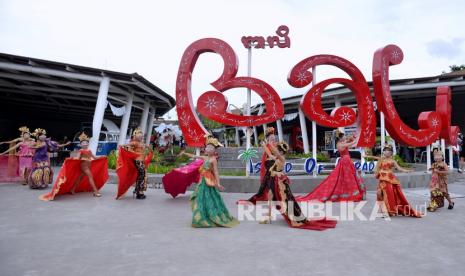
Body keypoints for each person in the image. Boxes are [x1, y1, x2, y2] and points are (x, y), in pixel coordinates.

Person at [261, 141, 337, 230]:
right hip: (274, 180)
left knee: (284, 201)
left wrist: (269, 144)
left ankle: (292, 215)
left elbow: (275, 153)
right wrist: (264, 146)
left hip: (279, 183)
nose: (276, 150)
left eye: (278, 149)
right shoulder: (277, 158)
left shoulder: (281, 158)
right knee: (270, 196)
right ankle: (268, 216)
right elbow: (270, 155)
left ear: (281, 152)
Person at [180, 134, 239, 228]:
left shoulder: (213, 160)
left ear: (214, 150)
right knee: (200, 199)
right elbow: (195, 156)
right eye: (207, 147)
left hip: (209, 183)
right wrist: (185, 153)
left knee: (210, 199)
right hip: (202, 182)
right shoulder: (205, 158)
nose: (208, 149)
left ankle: (211, 216)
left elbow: (216, 172)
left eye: (210, 148)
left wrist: (218, 183)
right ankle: (200, 217)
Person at [296, 132, 364, 202]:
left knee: (346, 178)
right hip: (345, 161)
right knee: (347, 177)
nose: (345, 137)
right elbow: (351, 144)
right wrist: (358, 138)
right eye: (344, 136)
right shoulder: (341, 144)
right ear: (340, 138)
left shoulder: (341, 143)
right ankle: (350, 194)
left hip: (346, 161)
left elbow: (350, 142)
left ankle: (348, 193)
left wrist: (352, 137)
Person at [39, 133, 109, 201]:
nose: (85, 144)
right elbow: (77, 158)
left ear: (88, 143)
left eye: (86, 142)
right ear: (80, 144)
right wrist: (71, 159)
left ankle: (73, 189)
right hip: (84, 166)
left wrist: (102, 156)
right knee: (90, 177)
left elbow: (95, 157)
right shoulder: (80, 151)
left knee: (80, 178)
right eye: (83, 143)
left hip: (89, 165)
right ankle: (96, 191)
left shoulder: (89, 151)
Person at [369, 145, 421, 218]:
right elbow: (376, 168)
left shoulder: (393, 161)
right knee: (380, 194)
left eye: (388, 150)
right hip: (382, 180)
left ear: (391, 153)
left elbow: (400, 168)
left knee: (388, 195)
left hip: (389, 180)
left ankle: (389, 211)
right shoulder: (381, 160)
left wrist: (407, 170)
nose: (386, 152)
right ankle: (384, 210)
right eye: (385, 150)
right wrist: (376, 173)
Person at [239, 127, 278, 204]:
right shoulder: (266, 146)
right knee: (268, 180)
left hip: (274, 164)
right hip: (268, 164)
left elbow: (277, 154)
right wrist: (276, 158)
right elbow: (270, 155)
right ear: (268, 139)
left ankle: (274, 196)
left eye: (274, 139)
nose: (273, 140)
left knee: (274, 180)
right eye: (271, 139)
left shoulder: (275, 145)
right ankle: (268, 196)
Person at [116, 127, 153, 199]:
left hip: (142, 161)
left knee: (142, 175)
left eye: (141, 134)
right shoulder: (134, 142)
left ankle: (139, 191)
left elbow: (147, 148)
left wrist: (149, 150)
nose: (141, 136)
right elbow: (124, 146)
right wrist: (122, 148)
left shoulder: (141, 143)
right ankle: (139, 192)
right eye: (139, 134)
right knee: (141, 175)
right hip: (138, 161)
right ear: (135, 136)